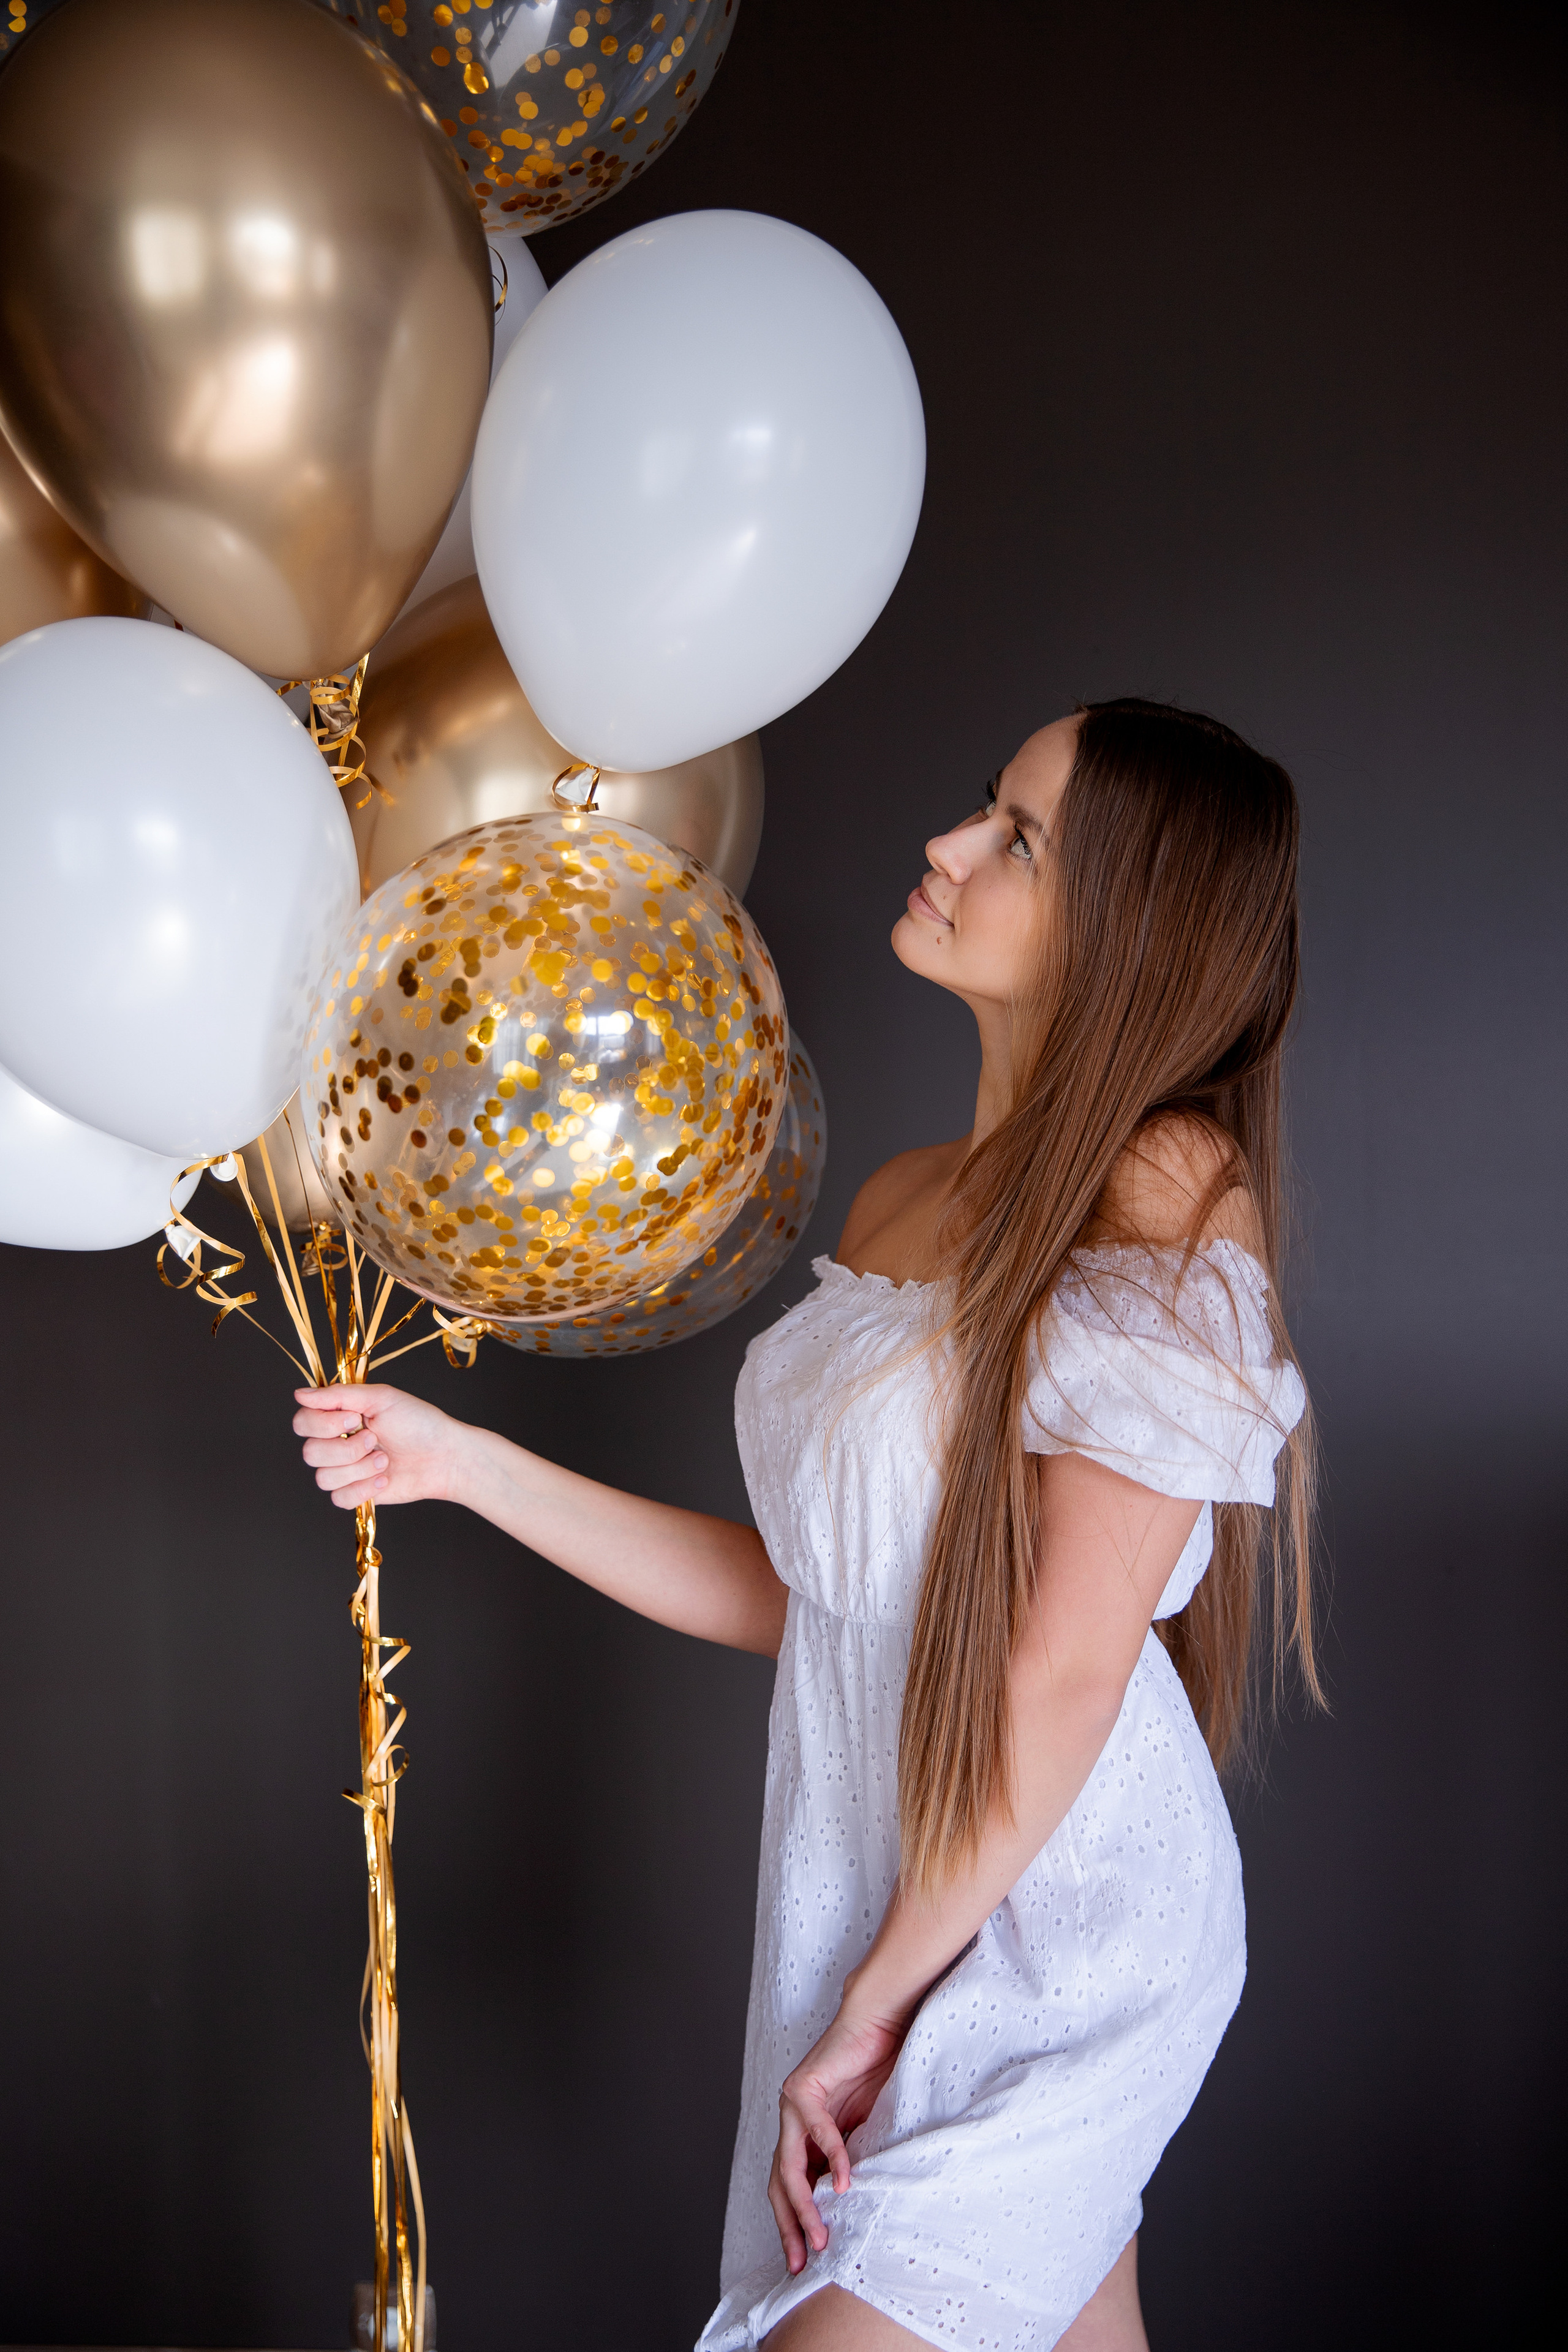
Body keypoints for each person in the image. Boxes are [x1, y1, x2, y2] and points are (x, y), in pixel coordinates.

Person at [292, 698, 1321, 2351]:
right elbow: (821, 1597)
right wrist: (465, 1465)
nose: (948, 847)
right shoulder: (904, 1199)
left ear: (1127, 923)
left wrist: (878, 2002)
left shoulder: (1170, 1187)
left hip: (1052, 1930)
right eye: (985, 805)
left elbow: (1063, 1675)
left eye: (1019, 839)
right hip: (884, 1899)